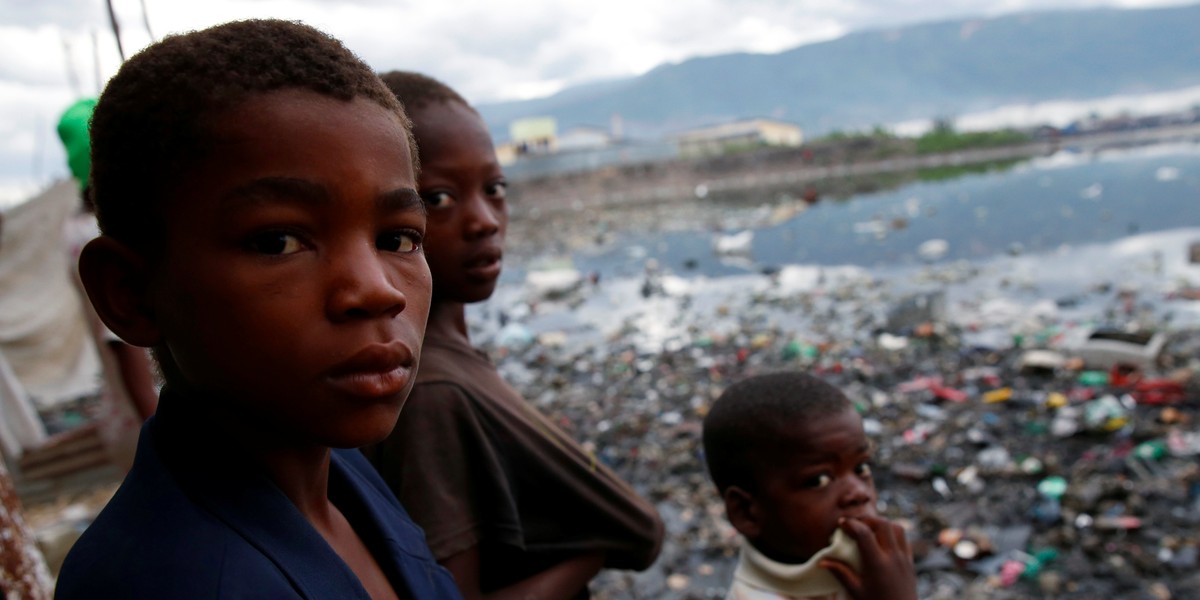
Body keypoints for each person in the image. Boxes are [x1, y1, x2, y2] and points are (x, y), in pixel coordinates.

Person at [55, 20, 462, 599]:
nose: (377, 292)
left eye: (397, 239)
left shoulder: (334, 473)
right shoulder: (165, 583)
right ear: (129, 292)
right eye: (278, 242)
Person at [362, 71, 663, 600]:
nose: (485, 221)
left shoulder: (448, 360)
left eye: (494, 189)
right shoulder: (430, 394)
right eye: (438, 198)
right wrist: (594, 547)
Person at [701, 372, 916, 600]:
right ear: (747, 512)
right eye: (818, 481)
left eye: (861, 468)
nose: (858, 493)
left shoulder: (875, 573)